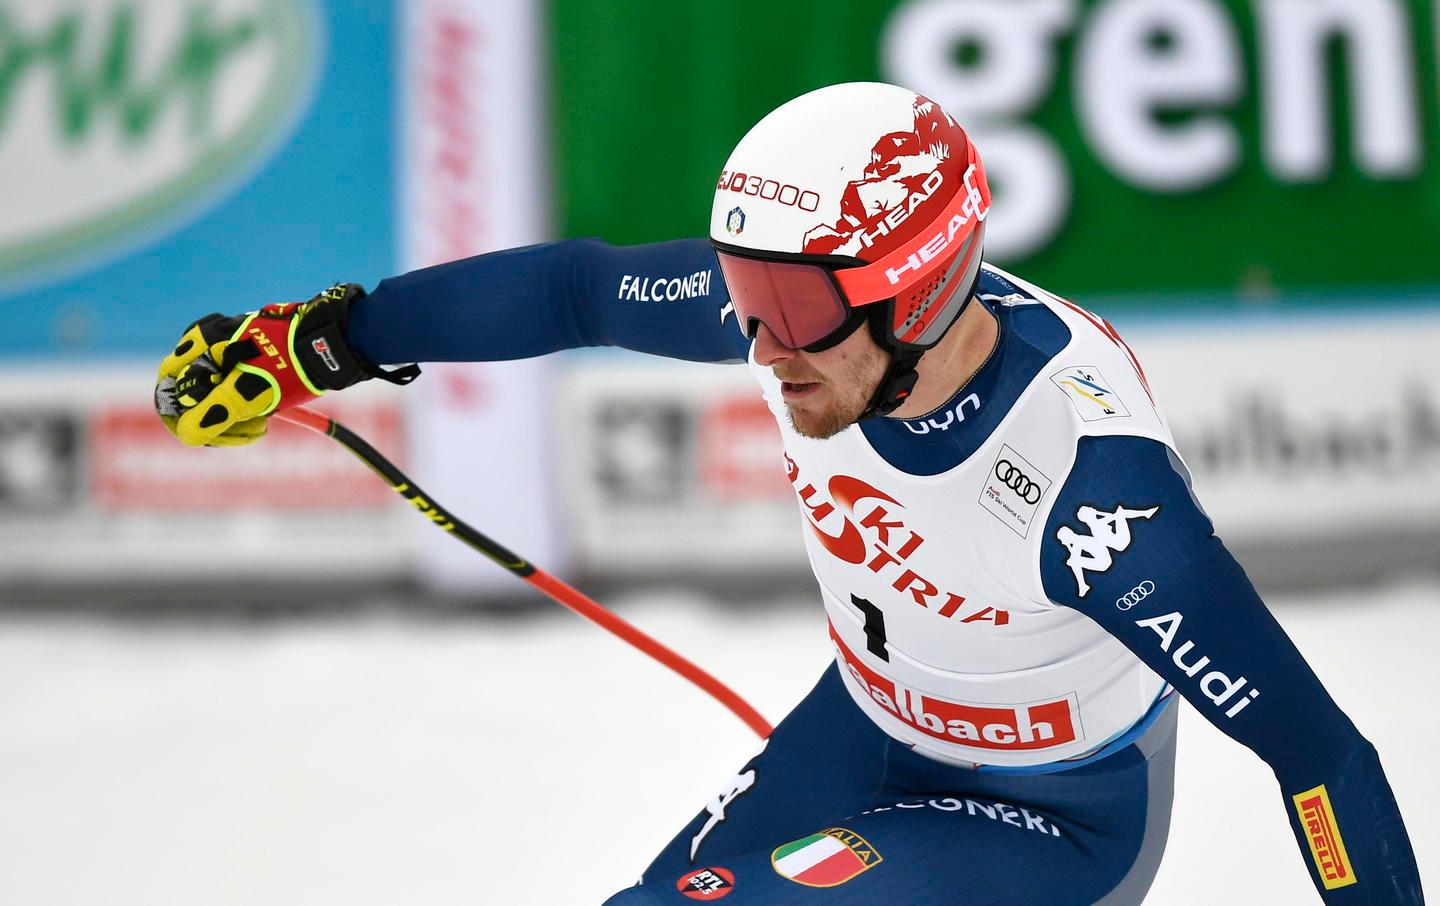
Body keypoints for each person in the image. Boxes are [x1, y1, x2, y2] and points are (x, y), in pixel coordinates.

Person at [154, 83, 1424, 904]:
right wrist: (322, 343)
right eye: (742, 294)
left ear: (916, 288)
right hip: (864, 732)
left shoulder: (1098, 502)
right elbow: (575, 291)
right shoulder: (810, 316)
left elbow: (1320, 760)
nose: (758, 343)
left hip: (1047, 822)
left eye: (794, 309)